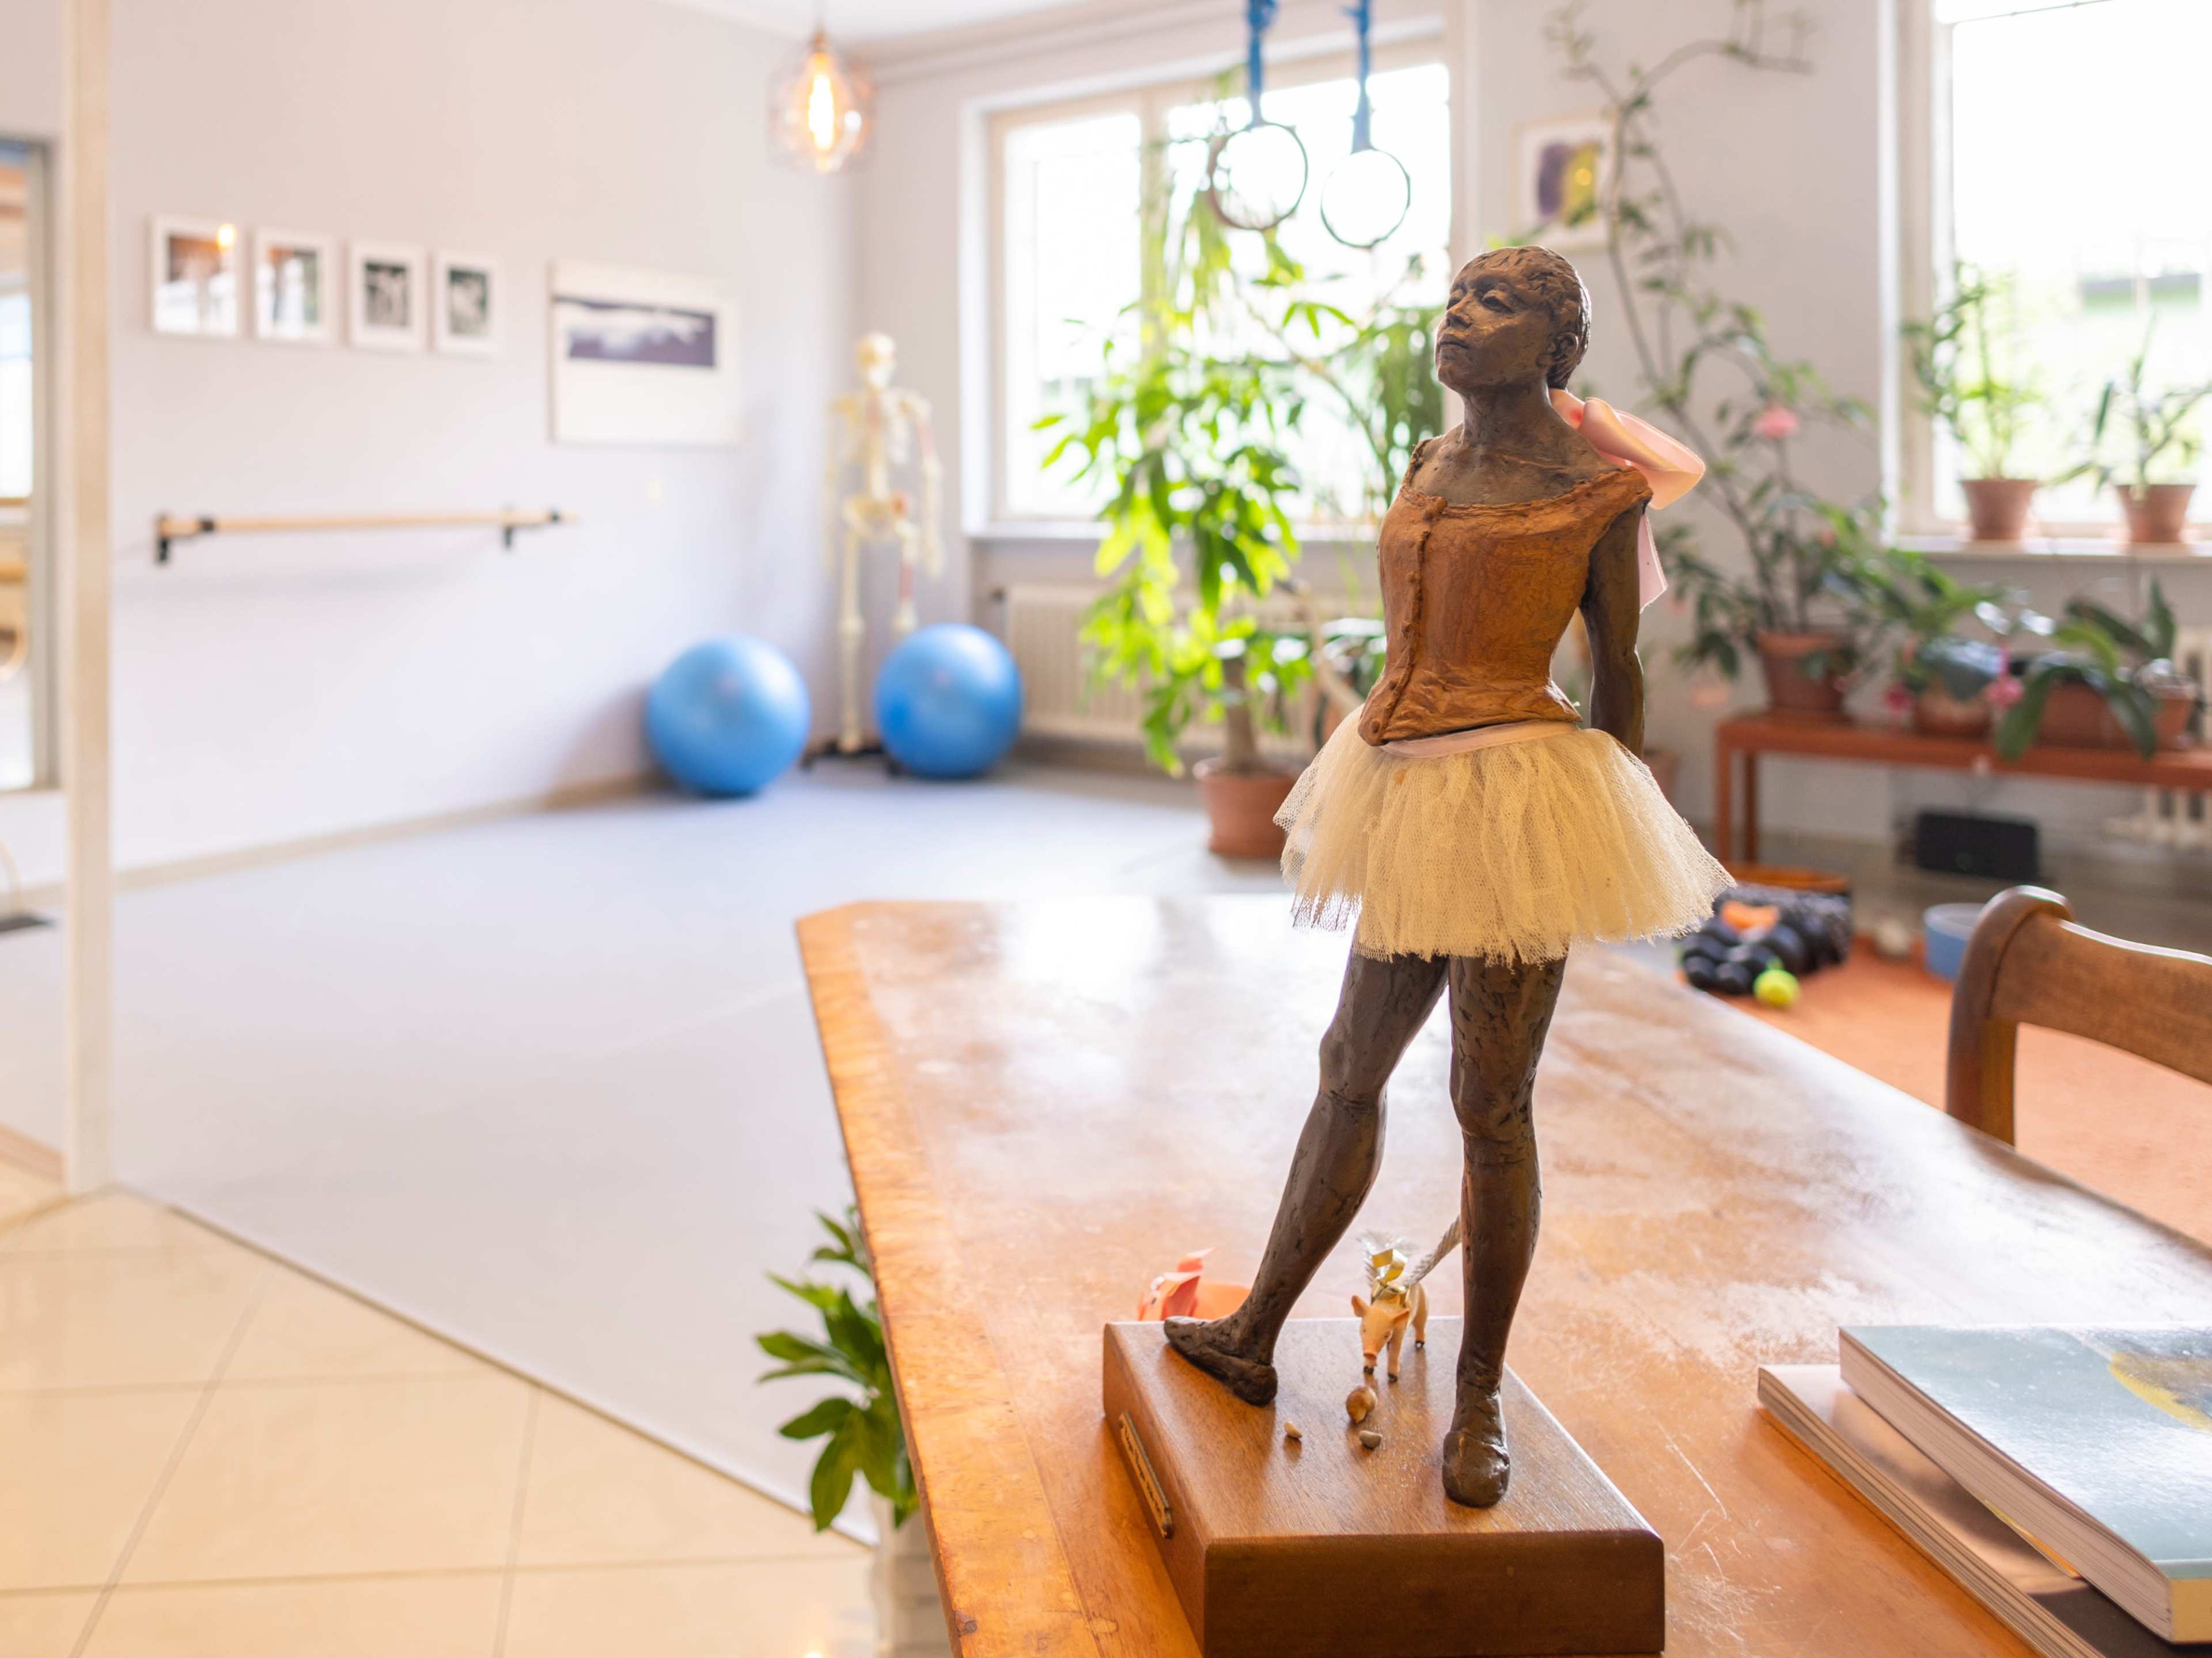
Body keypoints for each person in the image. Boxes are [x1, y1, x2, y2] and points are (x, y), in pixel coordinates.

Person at [1165, 245, 1729, 1507]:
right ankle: (1256, 1333)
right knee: (1347, 1067)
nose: (1459, 318)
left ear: (1556, 347)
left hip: (1518, 797)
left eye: (1498, 304)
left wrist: (1607, 825)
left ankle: (1478, 1396)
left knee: (1492, 1102)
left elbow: (1617, 672)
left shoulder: (1597, 489)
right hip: (1408, 786)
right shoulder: (1431, 462)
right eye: (1457, 298)